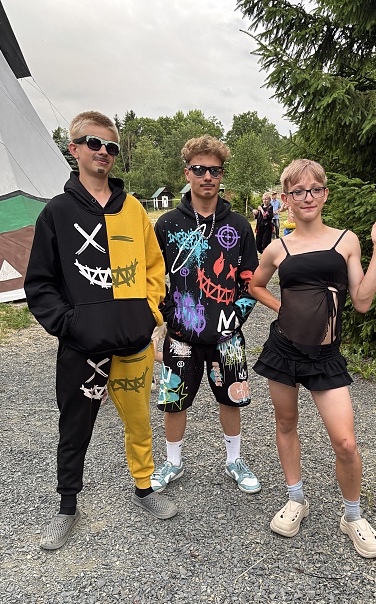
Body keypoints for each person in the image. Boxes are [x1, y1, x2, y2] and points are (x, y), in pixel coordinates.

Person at [24, 111, 177, 550]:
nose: (103, 152)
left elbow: (154, 267)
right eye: (93, 143)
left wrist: (149, 315)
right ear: (73, 149)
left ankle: (144, 488)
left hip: (133, 343)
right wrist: (70, 325)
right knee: (74, 426)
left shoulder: (133, 209)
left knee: (139, 421)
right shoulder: (56, 213)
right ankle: (67, 506)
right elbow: (40, 283)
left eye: (111, 146)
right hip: (82, 347)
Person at [248, 159, 376, 558]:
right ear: (286, 199)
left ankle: (352, 516)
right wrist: (281, 307)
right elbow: (255, 285)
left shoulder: (346, 240)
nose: (307, 197)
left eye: (314, 189)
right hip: (283, 351)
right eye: (298, 191)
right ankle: (295, 498)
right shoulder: (278, 247)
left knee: (346, 442)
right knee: (286, 423)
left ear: (325, 194)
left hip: (326, 357)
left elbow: (362, 302)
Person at [152, 135, 260, 495]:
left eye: (215, 170)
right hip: (181, 336)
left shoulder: (240, 226)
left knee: (231, 398)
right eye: (199, 169)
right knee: (174, 399)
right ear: (187, 173)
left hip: (228, 337)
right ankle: (173, 462)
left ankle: (234, 461)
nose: (207, 176)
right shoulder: (167, 225)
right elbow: (153, 278)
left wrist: (235, 319)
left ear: (222, 175)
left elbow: (252, 281)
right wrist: (170, 316)